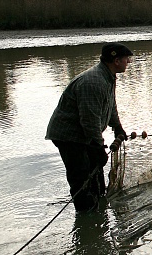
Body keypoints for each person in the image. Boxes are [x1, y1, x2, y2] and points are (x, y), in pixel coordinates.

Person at [46, 42, 133, 211]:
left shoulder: (107, 77)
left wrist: (118, 127)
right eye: (126, 59)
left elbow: (110, 106)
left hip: (84, 135)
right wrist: (98, 147)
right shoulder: (93, 82)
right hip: (69, 137)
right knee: (81, 176)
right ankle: (85, 213)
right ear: (116, 61)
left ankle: (98, 212)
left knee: (96, 173)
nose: (128, 62)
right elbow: (89, 120)